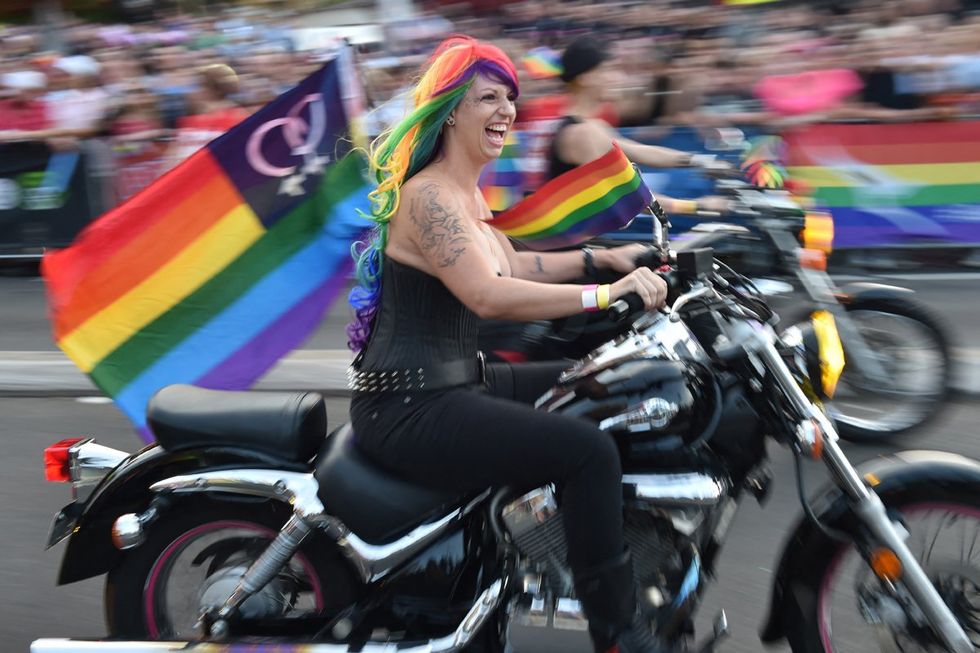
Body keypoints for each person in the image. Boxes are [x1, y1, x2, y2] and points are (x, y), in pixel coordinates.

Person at [346, 36, 670, 653]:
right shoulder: (430, 196)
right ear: (448, 111)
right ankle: (618, 634)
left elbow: (517, 265)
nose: (506, 111)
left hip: (451, 379)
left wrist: (607, 258)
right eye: (487, 98)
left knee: (602, 382)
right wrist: (609, 295)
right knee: (589, 451)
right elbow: (490, 295)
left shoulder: (465, 194)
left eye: (510, 99)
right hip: (410, 405)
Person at [549, 36, 728, 217]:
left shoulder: (593, 126)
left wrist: (701, 161)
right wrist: (698, 206)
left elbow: (641, 151)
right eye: (608, 70)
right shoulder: (581, 134)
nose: (617, 78)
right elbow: (628, 199)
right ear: (585, 78)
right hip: (572, 243)